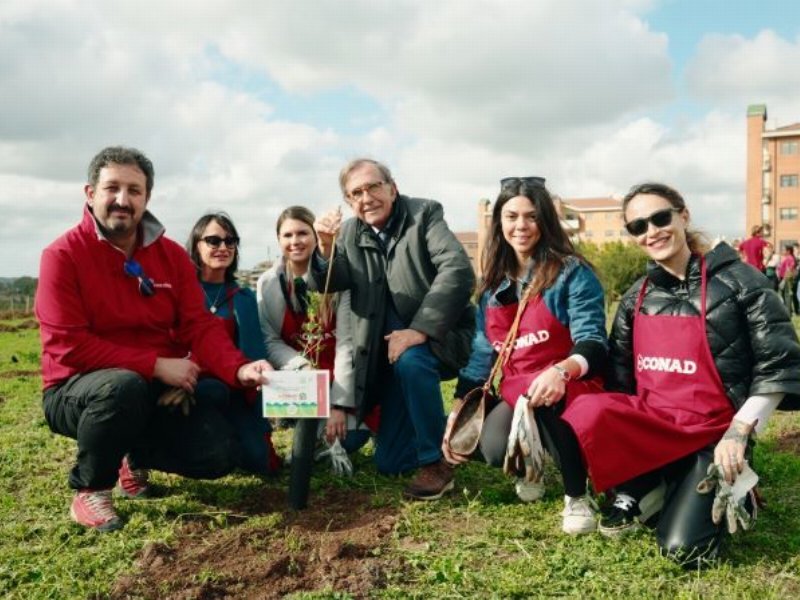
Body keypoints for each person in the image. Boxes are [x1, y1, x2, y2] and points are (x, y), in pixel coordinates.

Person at [35, 147, 272, 532]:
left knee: (219, 453)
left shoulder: (171, 257)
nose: (122, 200)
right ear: (89, 192)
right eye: (112, 188)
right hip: (77, 388)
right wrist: (158, 366)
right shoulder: (62, 255)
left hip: (149, 386)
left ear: (147, 197)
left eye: (134, 190)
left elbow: (199, 324)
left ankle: (133, 456)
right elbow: (70, 346)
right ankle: (91, 489)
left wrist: (239, 367)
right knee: (121, 388)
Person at [563, 182, 800, 566]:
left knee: (683, 550)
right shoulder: (635, 296)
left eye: (660, 218)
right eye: (638, 226)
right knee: (586, 408)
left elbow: (780, 364)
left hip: (714, 435)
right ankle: (654, 481)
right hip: (654, 430)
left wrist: (739, 432)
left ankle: (731, 486)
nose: (651, 232)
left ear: (683, 216)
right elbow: (620, 380)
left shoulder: (743, 283)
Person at [442, 176, 607, 534]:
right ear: (499, 223)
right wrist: (459, 407)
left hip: (570, 387)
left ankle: (577, 495)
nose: (521, 226)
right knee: (490, 444)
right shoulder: (492, 287)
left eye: (531, 216)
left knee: (545, 396)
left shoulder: (572, 274)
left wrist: (561, 371)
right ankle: (532, 466)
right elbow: (482, 353)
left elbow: (593, 340)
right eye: (511, 216)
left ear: (545, 220)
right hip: (519, 391)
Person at [313, 158, 475, 500]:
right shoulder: (348, 233)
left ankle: (437, 463)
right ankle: (451, 431)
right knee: (390, 463)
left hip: (440, 337)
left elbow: (457, 270)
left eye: (373, 186)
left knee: (412, 360)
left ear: (392, 187)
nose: (366, 197)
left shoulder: (425, 213)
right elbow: (330, 281)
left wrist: (420, 329)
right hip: (383, 359)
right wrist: (324, 246)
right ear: (348, 202)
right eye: (356, 192)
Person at [256, 206, 371, 454]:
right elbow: (270, 340)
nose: (295, 241)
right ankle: (297, 422)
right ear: (278, 240)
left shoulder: (337, 278)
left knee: (349, 438)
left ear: (315, 236)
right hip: (299, 375)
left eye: (302, 233)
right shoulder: (268, 282)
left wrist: (340, 405)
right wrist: (302, 366)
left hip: (337, 377)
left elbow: (345, 344)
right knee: (311, 440)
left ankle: (328, 422)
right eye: (287, 235)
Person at [186, 212, 281, 475]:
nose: (223, 247)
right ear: (196, 244)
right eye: (213, 241)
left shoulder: (243, 296)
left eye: (230, 241)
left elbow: (255, 357)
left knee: (261, 462)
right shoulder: (181, 293)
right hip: (189, 387)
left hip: (235, 390)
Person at [778, 244, 797, 315]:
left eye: (784, 250)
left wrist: (784, 279)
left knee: (787, 295)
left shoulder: (790, 258)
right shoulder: (787, 257)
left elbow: (789, 269)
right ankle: (788, 310)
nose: (783, 251)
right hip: (784, 278)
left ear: (788, 251)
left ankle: (788, 312)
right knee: (784, 294)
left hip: (787, 278)